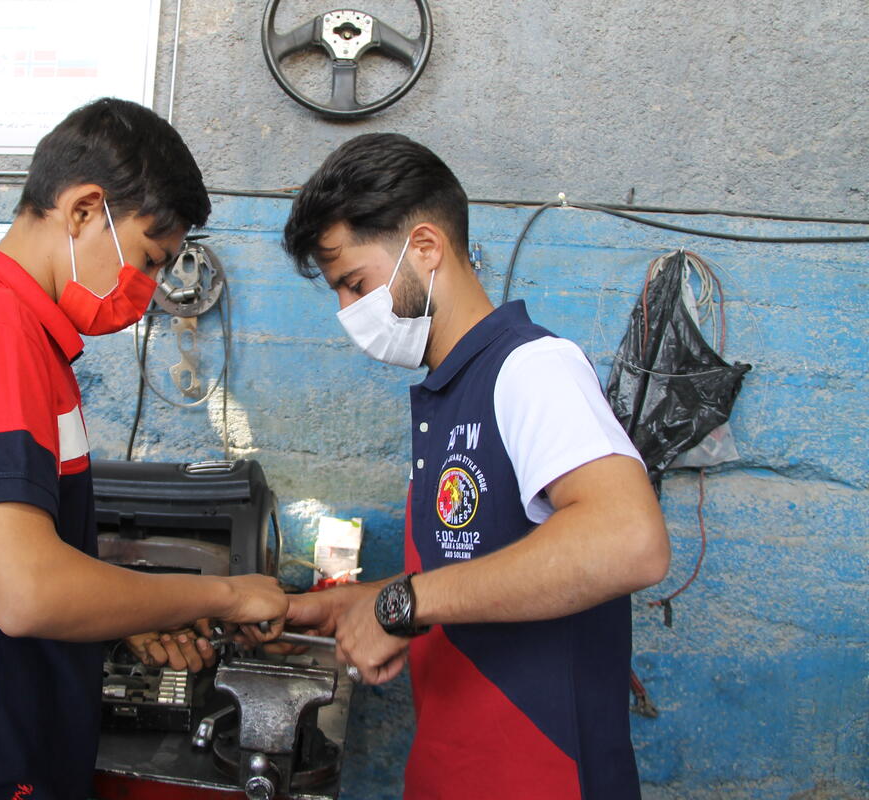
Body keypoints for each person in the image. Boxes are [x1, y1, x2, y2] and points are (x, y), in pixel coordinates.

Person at [0, 98, 286, 800]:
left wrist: (137, 612)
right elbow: (26, 593)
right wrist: (221, 594)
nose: (145, 294)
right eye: (147, 259)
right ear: (83, 210)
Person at [281, 133, 670, 799]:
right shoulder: (450, 391)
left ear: (426, 248)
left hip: (543, 775)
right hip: (456, 769)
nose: (348, 313)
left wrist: (401, 603)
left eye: (354, 284)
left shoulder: (530, 368)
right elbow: (481, 565)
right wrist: (349, 606)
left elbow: (629, 542)